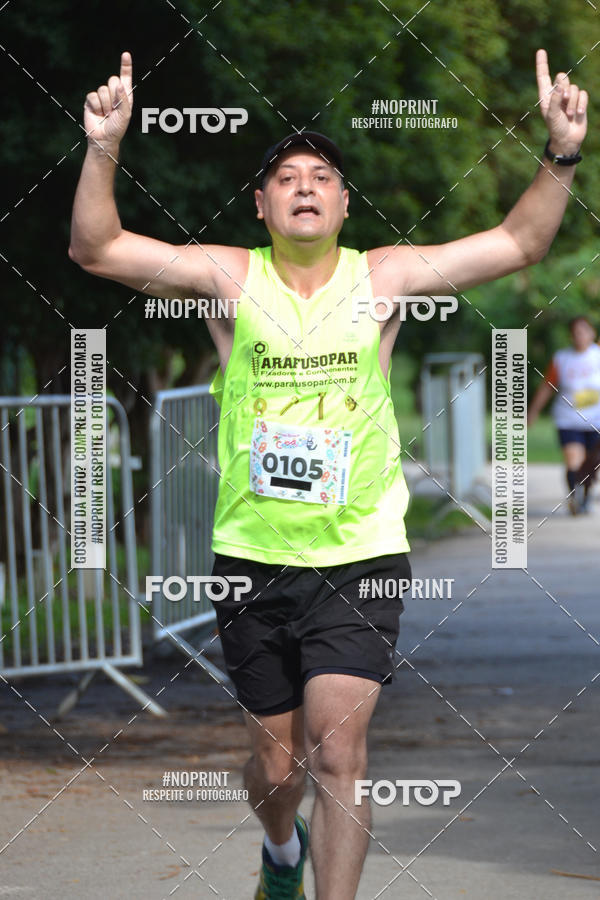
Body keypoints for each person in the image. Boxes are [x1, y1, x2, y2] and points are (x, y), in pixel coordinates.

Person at [69, 49, 587, 900]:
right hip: (251, 556)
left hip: (360, 553)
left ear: (345, 202)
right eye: (286, 177)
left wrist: (560, 152)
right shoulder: (228, 277)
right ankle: (281, 851)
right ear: (262, 202)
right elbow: (96, 248)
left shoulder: (382, 276)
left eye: (322, 176)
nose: (305, 186)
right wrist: (103, 146)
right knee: (276, 769)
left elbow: (519, 240)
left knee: (338, 753)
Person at [528, 315, 600, 514]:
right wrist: (532, 412)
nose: (580, 336)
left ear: (592, 333)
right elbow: (547, 387)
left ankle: (584, 497)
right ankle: (574, 495)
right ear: (570, 336)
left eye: (584, 331)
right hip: (569, 418)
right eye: (576, 333)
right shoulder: (562, 358)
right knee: (573, 461)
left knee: (592, 464)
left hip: (596, 419)